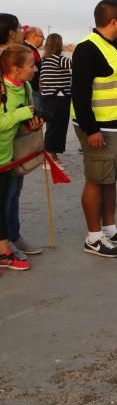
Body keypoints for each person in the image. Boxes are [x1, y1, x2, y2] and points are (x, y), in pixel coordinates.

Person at [72, 0, 117, 257]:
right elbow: (79, 94)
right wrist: (91, 130)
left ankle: (110, 229)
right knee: (95, 180)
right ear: (114, 21)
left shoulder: (113, 47)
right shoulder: (88, 49)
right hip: (100, 128)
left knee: (109, 179)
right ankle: (93, 237)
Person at [0, 45, 43, 271]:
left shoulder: (25, 86)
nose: (35, 69)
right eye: (31, 65)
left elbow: (26, 116)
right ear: (16, 69)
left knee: (12, 197)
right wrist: (24, 114)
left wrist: (34, 122)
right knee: (3, 202)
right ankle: (4, 251)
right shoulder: (1, 88)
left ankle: (10, 241)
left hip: (11, 154)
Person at [39, 33, 73, 163]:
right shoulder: (59, 59)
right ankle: (50, 158)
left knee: (52, 127)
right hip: (58, 98)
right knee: (56, 128)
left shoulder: (46, 59)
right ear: (58, 44)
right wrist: (72, 50)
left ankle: (51, 155)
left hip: (48, 98)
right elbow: (77, 64)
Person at [23, 26, 44, 92]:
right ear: (34, 37)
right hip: (30, 89)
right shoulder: (26, 50)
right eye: (42, 36)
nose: (44, 39)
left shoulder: (31, 49)